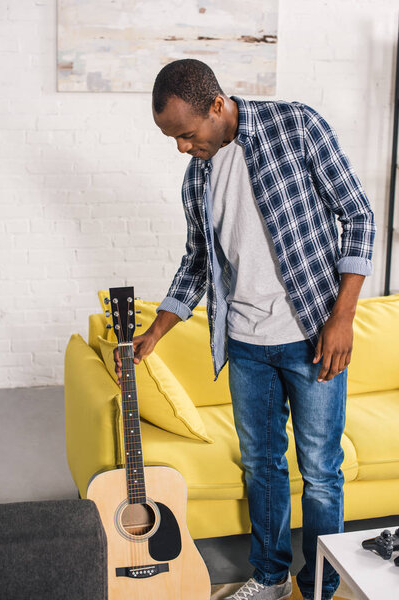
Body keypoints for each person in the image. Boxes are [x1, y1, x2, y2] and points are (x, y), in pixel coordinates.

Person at [114, 59, 376, 600]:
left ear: (216, 106)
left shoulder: (296, 126)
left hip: (313, 336)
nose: (183, 149)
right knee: (261, 467)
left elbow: (359, 217)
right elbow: (197, 263)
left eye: (186, 135)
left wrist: (342, 317)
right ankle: (271, 576)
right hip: (245, 344)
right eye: (173, 139)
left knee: (322, 472)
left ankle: (321, 585)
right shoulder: (200, 174)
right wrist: (157, 330)